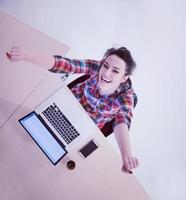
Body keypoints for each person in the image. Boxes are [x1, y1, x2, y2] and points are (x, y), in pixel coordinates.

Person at [7, 46, 139, 174]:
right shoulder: (97, 67)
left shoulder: (126, 96)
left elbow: (122, 122)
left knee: (43, 160)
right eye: (105, 65)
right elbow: (66, 65)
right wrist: (25, 56)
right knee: (20, 133)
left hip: (82, 127)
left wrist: (126, 156)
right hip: (61, 107)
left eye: (115, 71)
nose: (106, 73)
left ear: (124, 78)